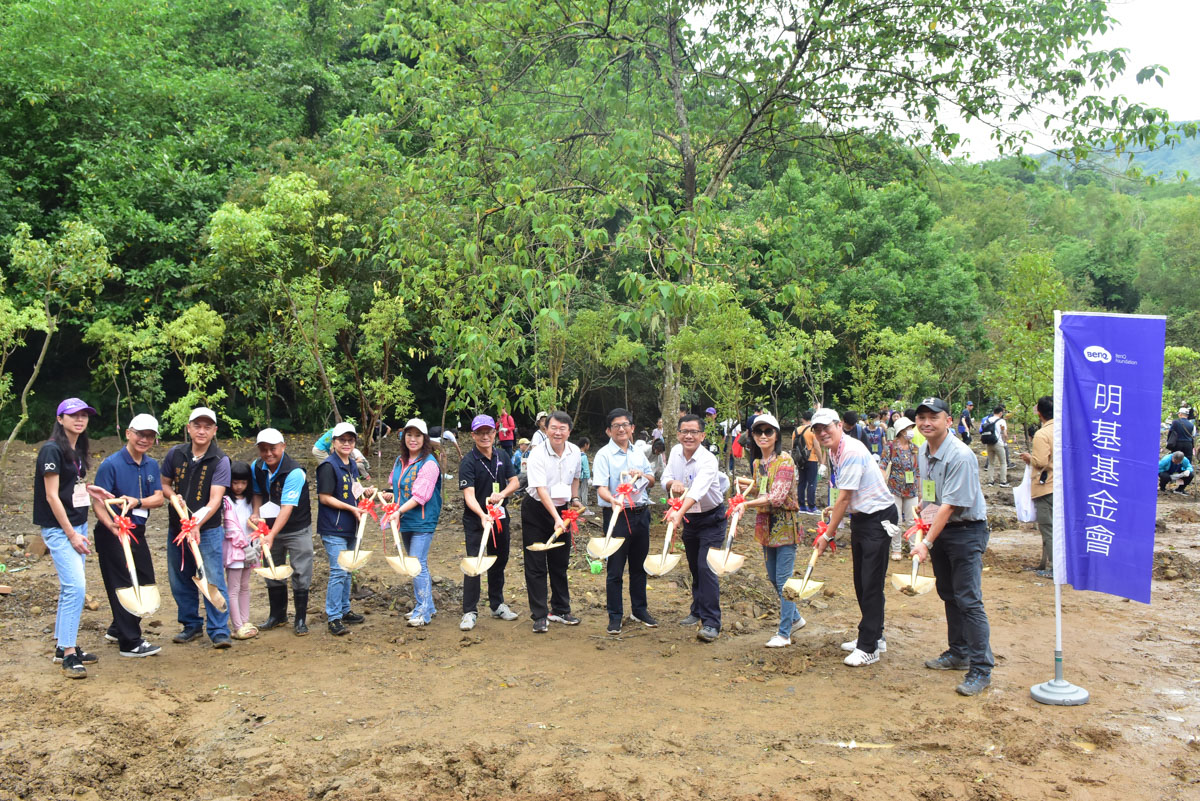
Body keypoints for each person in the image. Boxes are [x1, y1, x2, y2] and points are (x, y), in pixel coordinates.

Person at [911, 397, 993, 697]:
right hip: (942, 529)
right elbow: (934, 492)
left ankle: (981, 668)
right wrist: (923, 504)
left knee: (969, 600)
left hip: (966, 532)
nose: (926, 422)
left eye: (933, 416)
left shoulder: (960, 455)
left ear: (949, 420)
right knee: (949, 594)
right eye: (921, 417)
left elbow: (951, 505)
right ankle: (958, 653)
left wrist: (926, 543)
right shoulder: (923, 449)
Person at [811, 408, 899, 667]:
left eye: (827, 427)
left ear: (840, 425)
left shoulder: (850, 451)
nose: (822, 433)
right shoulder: (835, 450)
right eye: (817, 429)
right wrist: (835, 511)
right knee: (863, 581)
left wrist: (828, 535)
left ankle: (868, 646)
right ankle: (876, 635)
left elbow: (845, 497)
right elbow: (846, 497)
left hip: (878, 519)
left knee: (870, 583)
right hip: (862, 518)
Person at [37, 399, 101, 677]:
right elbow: (52, 495)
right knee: (76, 588)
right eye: (73, 415)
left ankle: (64, 646)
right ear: (60, 418)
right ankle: (69, 655)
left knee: (69, 589)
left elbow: (70, 485)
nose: (79, 419)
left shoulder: (76, 448)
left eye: (84, 415)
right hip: (61, 529)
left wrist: (94, 491)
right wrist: (72, 534)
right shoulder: (51, 449)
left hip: (77, 525)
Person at [91, 413, 164, 659]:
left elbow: (158, 498)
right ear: (129, 433)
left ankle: (117, 627)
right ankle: (130, 642)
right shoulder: (111, 464)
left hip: (136, 530)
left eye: (150, 436)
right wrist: (112, 525)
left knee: (143, 577)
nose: (144, 439)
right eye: (140, 434)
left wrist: (138, 501)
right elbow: (99, 502)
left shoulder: (152, 465)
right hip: (112, 532)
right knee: (122, 582)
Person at [161, 407, 232, 649]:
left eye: (207, 427)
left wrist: (196, 523)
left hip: (208, 530)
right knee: (180, 578)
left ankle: (219, 630)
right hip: (176, 527)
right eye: (197, 426)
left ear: (214, 431)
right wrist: (173, 498)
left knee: (212, 576)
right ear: (189, 428)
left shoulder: (221, 461)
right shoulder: (175, 454)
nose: (202, 431)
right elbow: (165, 484)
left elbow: (215, 500)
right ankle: (191, 625)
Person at [732, 413, 804, 648]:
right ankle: (795, 618)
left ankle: (784, 633)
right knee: (773, 577)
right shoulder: (757, 464)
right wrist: (746, 487)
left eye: (768, 431)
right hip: (766, 526)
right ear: (752, 436)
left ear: (776, 435)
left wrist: (745, 504)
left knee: (784, 580)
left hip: (784, 525)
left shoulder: (785, 461)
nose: (763, 436)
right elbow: (762, 492)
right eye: (758, 432)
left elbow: (777, 497)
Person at [662, 414, 729, 643]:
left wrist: (678, 513)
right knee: (694, 566)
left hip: (712, 518)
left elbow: (699, 489)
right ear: (678, 434)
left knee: (706, 566)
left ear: (702, 435)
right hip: (691, 518)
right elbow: (666, 477)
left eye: (693, 432)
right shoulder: (674, 453)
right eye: (684, 431)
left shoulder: (708, 459)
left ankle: (711, 623)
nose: (688, 436)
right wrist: (673, 483)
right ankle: (697, 610)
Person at [592, 408, 658, 635]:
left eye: (625, 425)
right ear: (608, 430)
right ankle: (615, 615)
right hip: (617, 515)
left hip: (641, 513)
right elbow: (600, 487)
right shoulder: (603, 455)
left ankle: (639, 610)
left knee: (639, 566)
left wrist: (642, 475)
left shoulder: (639, 453)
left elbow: (651, 479)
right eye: (616, 426)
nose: (621, 429)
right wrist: (612, 500)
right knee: (615, 568)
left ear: (632, 428)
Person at [521, 411, 583, 633]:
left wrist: (574, 499)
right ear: (546, 429)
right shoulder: (537, 454)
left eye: (562, 428)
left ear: (569, 431)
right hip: (537, 510)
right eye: (553, 428)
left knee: (560, 562)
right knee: (536, 563)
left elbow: (576, 477)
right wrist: (556, 518)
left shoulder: (575, 451)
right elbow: (540, 489)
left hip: (563, 510)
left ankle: (560, 609)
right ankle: (539, 614)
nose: (558, 432)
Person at [457, 414, 521, 631]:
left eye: (489, 432)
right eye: (480, 433)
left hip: (499, 518)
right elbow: (469, 495)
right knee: (474, 564)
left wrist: (501, 494)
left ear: (495, 433)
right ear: (473, 435)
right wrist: (482, 515)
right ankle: (469, 611)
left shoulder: (502, 454)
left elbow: (514, 481)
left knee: (498, 561)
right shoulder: (468, 461)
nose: (485, 436)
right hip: (477, 521)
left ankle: (497, 604)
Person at [249, 427, 314, 636]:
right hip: (269, 527)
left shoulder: (294, 472)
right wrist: (256, 514)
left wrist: (271, 535)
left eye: (273, 449)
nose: (268, 453)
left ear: (283, 447)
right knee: (272, 568)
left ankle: (300, 619)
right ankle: (277, 615)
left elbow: (287, 507)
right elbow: (258, 492)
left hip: (296, 527)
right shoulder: (256, 467)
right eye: (264, 449)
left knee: (301, 570)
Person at [388, 418, 443, 628]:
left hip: (422, 520)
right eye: (409, 435)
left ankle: (422, 611)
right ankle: (427, 606)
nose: (413, 439)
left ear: (425, 438)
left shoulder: (429, 463)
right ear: (404, 437)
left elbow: (421, 496)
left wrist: (398, 510)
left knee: (416, 563)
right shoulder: (399, 461)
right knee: (418, 563)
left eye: (418, 435)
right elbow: (396, 487)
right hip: (405, 520)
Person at [317, 422, 369, 636]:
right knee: (339, 570)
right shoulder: (328, 466)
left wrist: (366, 492)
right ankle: (334, 617)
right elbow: (325, 497)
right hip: (334, 526)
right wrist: (351, 508)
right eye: (342, 440)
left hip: (351, 526)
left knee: (348, 569)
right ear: (334, 442)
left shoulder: (352, 465)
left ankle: (345, 609)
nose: (346, 443)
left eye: (350, 440)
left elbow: (353, 489)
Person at [222, 461, 260, 639]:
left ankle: (245, 621)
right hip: (235, 550)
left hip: (250, 549)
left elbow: (254, 524)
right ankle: (237, 626)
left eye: (243, 483)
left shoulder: (250, 501)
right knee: (234, 588)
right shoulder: (226, 501)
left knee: (245, 586)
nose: (239, 487)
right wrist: (244, 545)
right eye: (235, 482)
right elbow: (230, 526)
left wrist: (255, 542)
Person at [1020, 396, 1054, 575]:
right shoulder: (1065, 429)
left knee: (1047, 527)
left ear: (1040, 413)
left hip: (1046, 486)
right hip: (1062, 487)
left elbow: (1040, 462)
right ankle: (1046, 563)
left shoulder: (1042, 434)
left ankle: (1054, 568)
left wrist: (1028, 459)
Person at [883, 416, 920, 559]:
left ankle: (915, 548)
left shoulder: (915, 449)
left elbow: (918, 470)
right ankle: (896, 549)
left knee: (912, 520)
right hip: (894, 488)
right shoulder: (891, 447)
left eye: (911, 428)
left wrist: (920, 490)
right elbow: (883, 465)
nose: (910, 431)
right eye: (907, 429)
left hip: (911, 490)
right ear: (901, 431)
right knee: (896, 519)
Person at [790, 409, 823, 514]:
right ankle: (811, 506)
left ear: (803, 419)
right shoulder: (812, 431)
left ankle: (801, 505)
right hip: (812, 459)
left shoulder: (796, 430)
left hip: (800, 460)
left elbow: (793, 446)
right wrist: (821, 461)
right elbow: (817, 447)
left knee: (801, 482)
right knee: (812, 482)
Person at [979, 406, 1009, 487]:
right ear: (1000, 413)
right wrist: (1005, 441)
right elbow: (1004, 433)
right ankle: (1003, 482)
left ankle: (990, 481)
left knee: (991, 463)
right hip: (998, 443)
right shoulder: (1002, 421)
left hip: (989, 443)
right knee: (1003, 463)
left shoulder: (988, 419)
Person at [578, 437, 593, 509]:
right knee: (584, 492)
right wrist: (589, 478)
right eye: (588, 445)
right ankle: (584, 508)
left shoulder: (576, 454)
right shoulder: (584, 456)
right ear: (585, 445)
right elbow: (586, 469)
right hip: (583, 477)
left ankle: (577, 507)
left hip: (577, 477)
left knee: (577, 492)